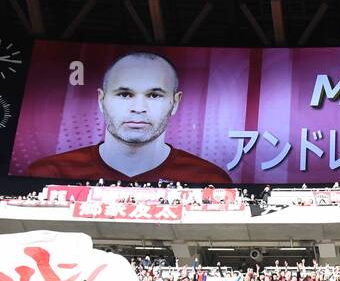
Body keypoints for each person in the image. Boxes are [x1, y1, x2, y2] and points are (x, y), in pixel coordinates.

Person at [26, 52, 233, 184]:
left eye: (154, 95)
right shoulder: (48, 172)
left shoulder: (210, 179)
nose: (138, 108)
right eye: (124, 94)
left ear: (175, 103)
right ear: (101, 99)